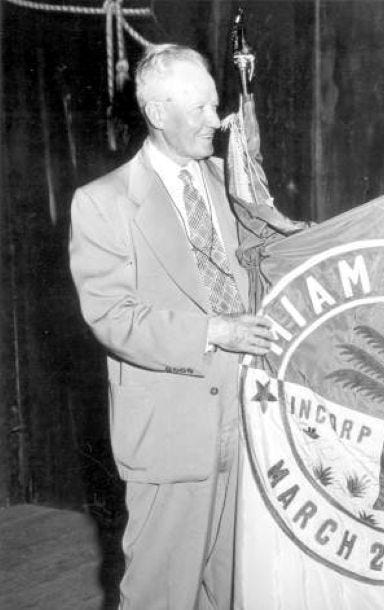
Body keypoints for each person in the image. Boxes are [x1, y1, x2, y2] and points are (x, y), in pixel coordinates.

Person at [69, 44, 276, 609]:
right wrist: (215, 330)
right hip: (170, 435)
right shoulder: (103, 202)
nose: (217, 119)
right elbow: (113, 317)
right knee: (161, 595)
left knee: (235, 592)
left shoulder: (231, 181)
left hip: (248, 422)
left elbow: (272, 255)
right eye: (201, 108)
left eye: (215, 104)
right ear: (158, 113)